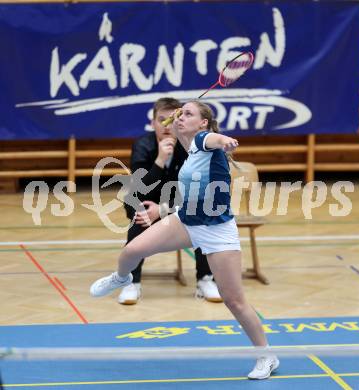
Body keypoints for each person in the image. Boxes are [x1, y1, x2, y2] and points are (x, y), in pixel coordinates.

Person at [90, 101, 279, 379]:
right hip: (185, 220)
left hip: (216, 229)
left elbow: (213, 137)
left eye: (187, 114)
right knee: (132, 250)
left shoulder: (204, 141)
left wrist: (225, 139)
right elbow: (184, 177)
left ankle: (267, 356)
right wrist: (161, 210)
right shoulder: (188, 148)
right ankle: (122, 278)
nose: (180, 118)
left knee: (234, 300)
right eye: (179, 114)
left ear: (203, 123)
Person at [119, 97, 222, 304]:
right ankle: (131, 282)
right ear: (153, 123)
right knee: (141, 215)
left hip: (176, 203)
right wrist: (159, 161)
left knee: (202, 218)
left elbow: (194, 193)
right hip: (143, 201)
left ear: (180, 122)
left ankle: (205, 279)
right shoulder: (142, 145)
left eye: (172, 118)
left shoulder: (191, 148)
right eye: (161, 119)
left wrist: (163, 209)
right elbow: (139, 189)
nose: (166, 125)